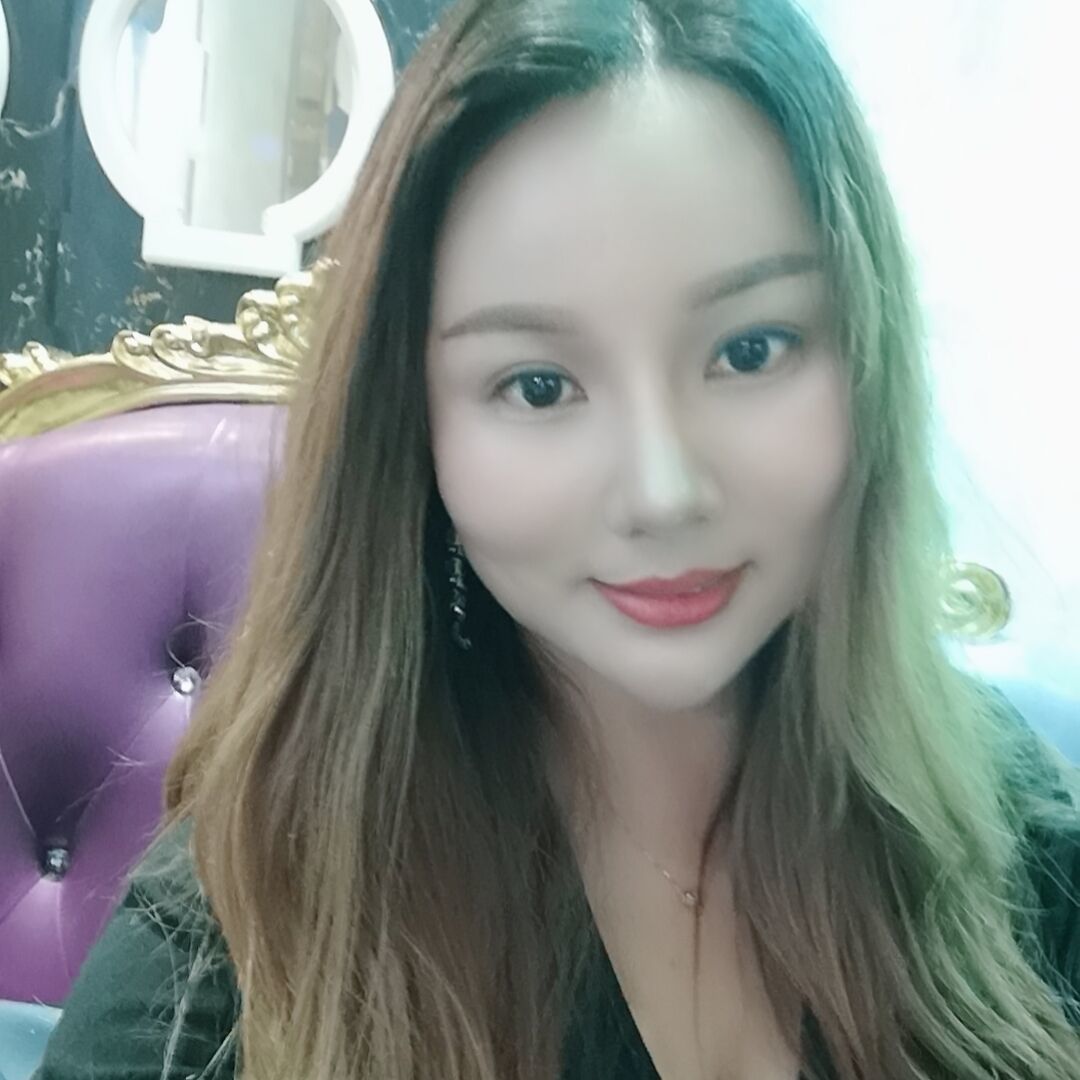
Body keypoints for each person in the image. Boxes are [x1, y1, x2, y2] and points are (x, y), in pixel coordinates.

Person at [35, 0, 1080, 1077]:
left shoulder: (1007, 841)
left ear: (865, 356)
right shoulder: (243, 948)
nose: (663, 492)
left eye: (751, 350)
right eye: (538, 385)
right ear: (415, 426)